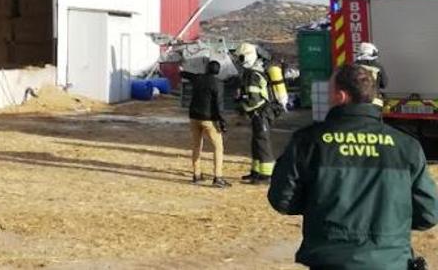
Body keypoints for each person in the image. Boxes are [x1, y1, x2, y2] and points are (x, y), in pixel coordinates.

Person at [268, 64, 438, 270]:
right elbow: (428, 214)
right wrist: (390, 223)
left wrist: (320, 207)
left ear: (341, 96)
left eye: (329, 92)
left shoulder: (308, 141)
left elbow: (282, 200)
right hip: (390, 261)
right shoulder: (406, 146)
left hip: (329, 260)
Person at [235, 42, 276, 183]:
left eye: (241, 58)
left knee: (262, 142)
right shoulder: (251, 73)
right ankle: (256, 171)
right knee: (256, 142)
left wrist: (243, 107)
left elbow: (254, 99)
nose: (239, 61)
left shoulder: (253, 75)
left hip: (261, 112)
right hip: (257, 113)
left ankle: (266, 175)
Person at [186, 58, 229, 187]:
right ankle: (217, 177)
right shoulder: (218, 84)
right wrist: (222, 122)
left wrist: (181, 69)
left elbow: (186, 74)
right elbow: (219, 105)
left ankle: (197, 174)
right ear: (218, 71)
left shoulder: (198, 78)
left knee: (196, 146)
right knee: (218, 147)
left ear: (206, 69)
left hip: (194, 116)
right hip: (209, 119)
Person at [355, 42, 387, 109]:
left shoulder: (353, 67)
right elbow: (384, 84)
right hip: (375, 103)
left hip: (357, 103)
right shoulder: (378, 67)